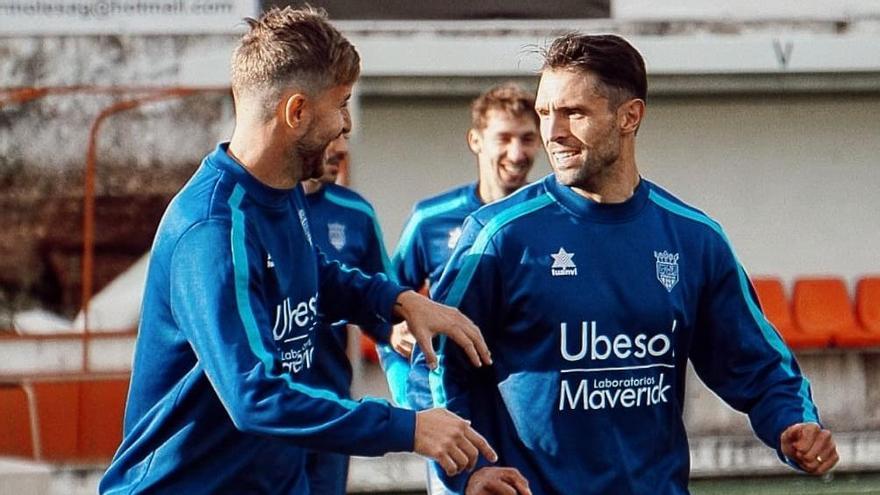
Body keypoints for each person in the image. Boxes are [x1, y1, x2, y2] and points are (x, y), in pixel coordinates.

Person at [417, 33, 839, 495]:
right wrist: (467, 470)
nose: (553, 132)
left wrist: (794, 425)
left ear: (629, 116)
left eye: (573, 113)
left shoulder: (694, 239)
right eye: (545, 113)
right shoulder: (499, 235)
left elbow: (757, 365)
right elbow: (438, 362)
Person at [99, 7, 497, 494]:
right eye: (342, 104)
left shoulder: (282, 190)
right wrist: (408, 428)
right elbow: (254, 398)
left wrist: (397, 301)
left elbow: (307, 273)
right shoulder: (213, 230)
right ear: (296, 112)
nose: (346, 125)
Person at [382, 82, 540, 493]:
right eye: (504, 138)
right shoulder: (431, 219)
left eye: (527, 139)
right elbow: (383, 313)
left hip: (526, 417)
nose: (517, 153)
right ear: (476, 140)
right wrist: (410, 395)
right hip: (455, 412)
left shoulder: (550, 221)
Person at [300, 133, 415, 495]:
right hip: (270, 408)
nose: (342, 148)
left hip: (333, 403)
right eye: (333, 135)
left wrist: (396, 331)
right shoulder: (261, 209)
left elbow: (382, 299)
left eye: (346, 136)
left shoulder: (355, 212)